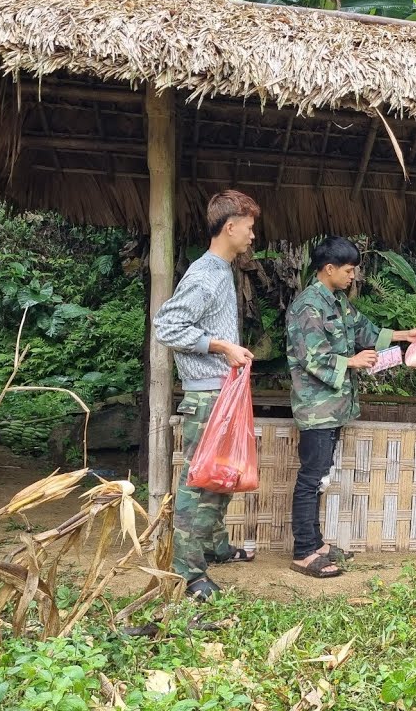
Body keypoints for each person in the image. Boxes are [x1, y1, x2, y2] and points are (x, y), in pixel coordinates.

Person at [286, 237, 416, 578]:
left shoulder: (337, 302)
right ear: (329, 269)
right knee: (311, 478)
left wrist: (406, 335)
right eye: (349, 270)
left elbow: (367, 330)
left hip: (334, 407)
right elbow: (312, 357)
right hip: (316, 408)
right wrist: (351, 361)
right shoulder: (308, 306)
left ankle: (317, 544)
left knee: (320, 477)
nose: (353, 276)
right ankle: (304, 551)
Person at [154, 189, 259, 601]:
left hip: (221, 395)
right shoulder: (205, 273)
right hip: (207, 398)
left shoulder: (220, 270)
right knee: (198, 484)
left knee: (220, 478)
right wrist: (222, 346)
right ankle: (188, 573)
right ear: (229, 227)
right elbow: (168, 327)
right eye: (249, 229)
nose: (253, 236)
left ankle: (213, 547)